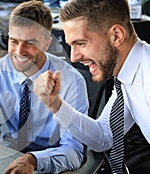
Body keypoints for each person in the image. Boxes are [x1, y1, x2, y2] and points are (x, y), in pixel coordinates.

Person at [0, 1, 89, 173]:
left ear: (47, 44)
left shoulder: (72, 82)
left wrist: (34, 160)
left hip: (55, 160)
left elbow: (74, 150)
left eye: (30, 43)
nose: (19, 51)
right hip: (13, 151)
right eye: (14, 41)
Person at [33, 0, 150, 173]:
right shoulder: (127, 76)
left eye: (80, 43)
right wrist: (56, 105)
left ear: (116, 35)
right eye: (71, 45)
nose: (73, 57)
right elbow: (104, 136)